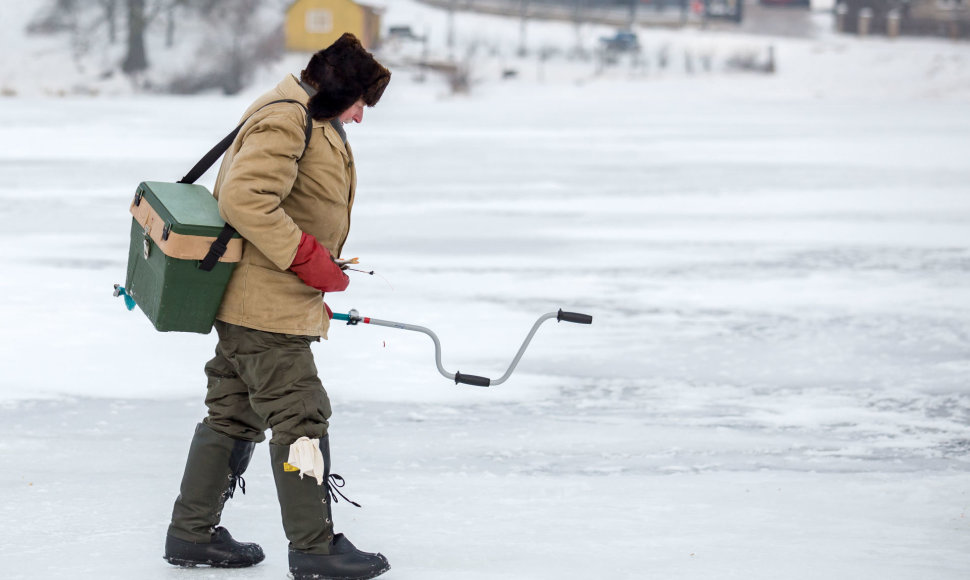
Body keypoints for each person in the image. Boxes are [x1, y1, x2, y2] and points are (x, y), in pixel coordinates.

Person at [162, 33, 391, 580]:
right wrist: (308, 256)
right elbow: (245, 199)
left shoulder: (305, 113)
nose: (360, 117)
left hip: (253, 301)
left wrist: (316, 260)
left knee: (234, 413)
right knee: (301, 417)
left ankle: (191, 535)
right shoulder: (290, 117)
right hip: (265, 309)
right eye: (360, 103)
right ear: (339, 91)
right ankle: (314, 548)